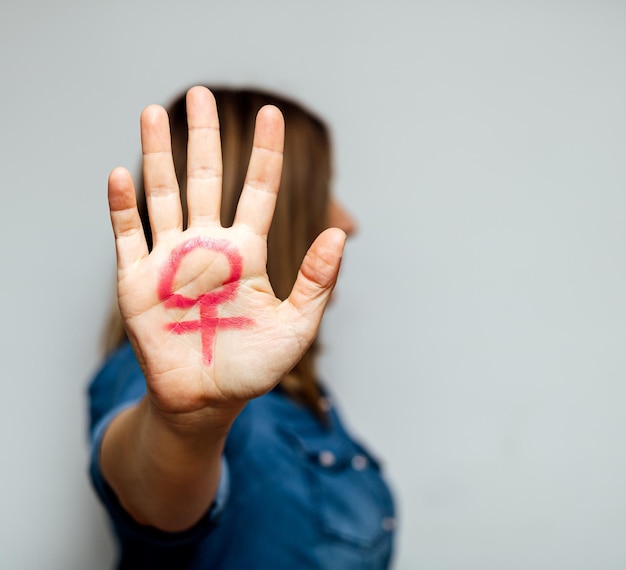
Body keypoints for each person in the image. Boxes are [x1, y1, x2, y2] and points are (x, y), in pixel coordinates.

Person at [88, 85, 395, 569]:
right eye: (324, 191)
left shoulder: (283, 391)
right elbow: (150, 492)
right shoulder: (165, 379)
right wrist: (185, 427)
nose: (348, 222)